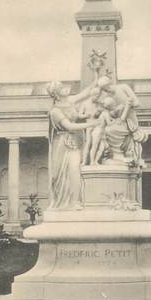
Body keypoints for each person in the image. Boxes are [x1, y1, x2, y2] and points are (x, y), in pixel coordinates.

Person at [46, 81, 97, 209]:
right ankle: (64, 202)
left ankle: (76, 201)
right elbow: (70, 126)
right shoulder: (55, 111)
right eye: (61, 88)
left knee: (75, 170)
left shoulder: (70, 101)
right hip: (62, 144)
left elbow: (86, 92)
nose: (65, 88)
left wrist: (97, 74)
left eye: (63, 86)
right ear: (56, 94)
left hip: (74, 142)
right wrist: (91, 124)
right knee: (61, 174)